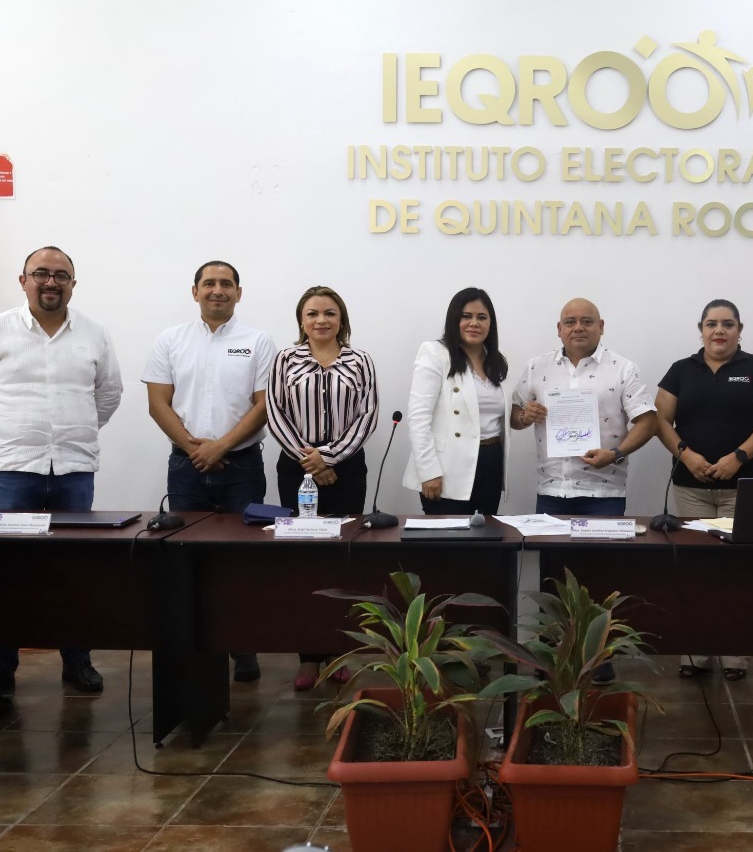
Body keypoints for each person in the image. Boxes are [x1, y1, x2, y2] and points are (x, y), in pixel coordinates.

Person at [0, 246, 123, 696]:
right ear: (23, 280)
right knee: (8, 571)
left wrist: (75, 431)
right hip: (14, 470)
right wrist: (11, 434)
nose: (51, 282)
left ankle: (78, 661)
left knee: (74, 569)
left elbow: (109, 395)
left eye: (61, 275)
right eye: (41, 274)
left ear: (73, 283)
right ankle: (0, 668)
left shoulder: (94, 334)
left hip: (74, 470)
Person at [143, 260, 276, 683]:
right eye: (209, 283)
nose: (217, 290)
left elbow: (263, 406)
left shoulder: (258, 342)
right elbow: (158, 403)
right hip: (186, 467)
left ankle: (243, 646)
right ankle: (192, 645)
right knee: (186, 556)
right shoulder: (170, 340)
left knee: (243, 559)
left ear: (239, 293)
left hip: (242, 467)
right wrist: (194, 448)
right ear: (195, 291)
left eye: (226, 284)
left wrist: (220, 446)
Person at [656, 298, 753, 682]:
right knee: (695, 570)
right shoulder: (681, 370)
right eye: (711, 324)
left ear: (739, 330)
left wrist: (738, 457)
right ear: (701, 330)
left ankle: (735, 654)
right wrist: (686, 454)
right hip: (691, 488)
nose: (719, 330)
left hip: (745, 487)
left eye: (727, 324)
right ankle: (695, 652)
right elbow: (659, 419)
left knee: (738, 571)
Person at [266, 285, 378, 691]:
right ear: (302, 320)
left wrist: (329, 459)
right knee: (304, 562)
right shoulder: (285, 359)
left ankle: (339, 652)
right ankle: (309, 657)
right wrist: (311, 462)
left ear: (341, 319)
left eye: (329, 313)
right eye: (312, 313)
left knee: (342, 561)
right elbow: (275, 413)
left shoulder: (360, 360)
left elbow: (368, 415)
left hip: (347, 470)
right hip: (296, 468)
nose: (321, 320)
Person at [511, 298, 656, 517]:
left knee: (602, 543)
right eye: (570, 322)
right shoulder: (536, 367)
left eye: (586, 321)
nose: (578, 327)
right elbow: (514, 416)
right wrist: (525, 416)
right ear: (559, 329)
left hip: (604, 493)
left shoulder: (623, 369)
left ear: (601, 326)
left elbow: (648, 421)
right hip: (552, 490)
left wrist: (615, 454)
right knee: (550, 542)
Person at [400, 287, 511, 515]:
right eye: (466, 316)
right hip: (446, 466)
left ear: (490, 323)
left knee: (486, 533)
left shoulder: (497, 359)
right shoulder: (435, 353)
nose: (474, 323)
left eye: (482, 317)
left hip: (491, 462)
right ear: (454, 320)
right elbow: (418, 417)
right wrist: (428, 471)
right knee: (448, 535)